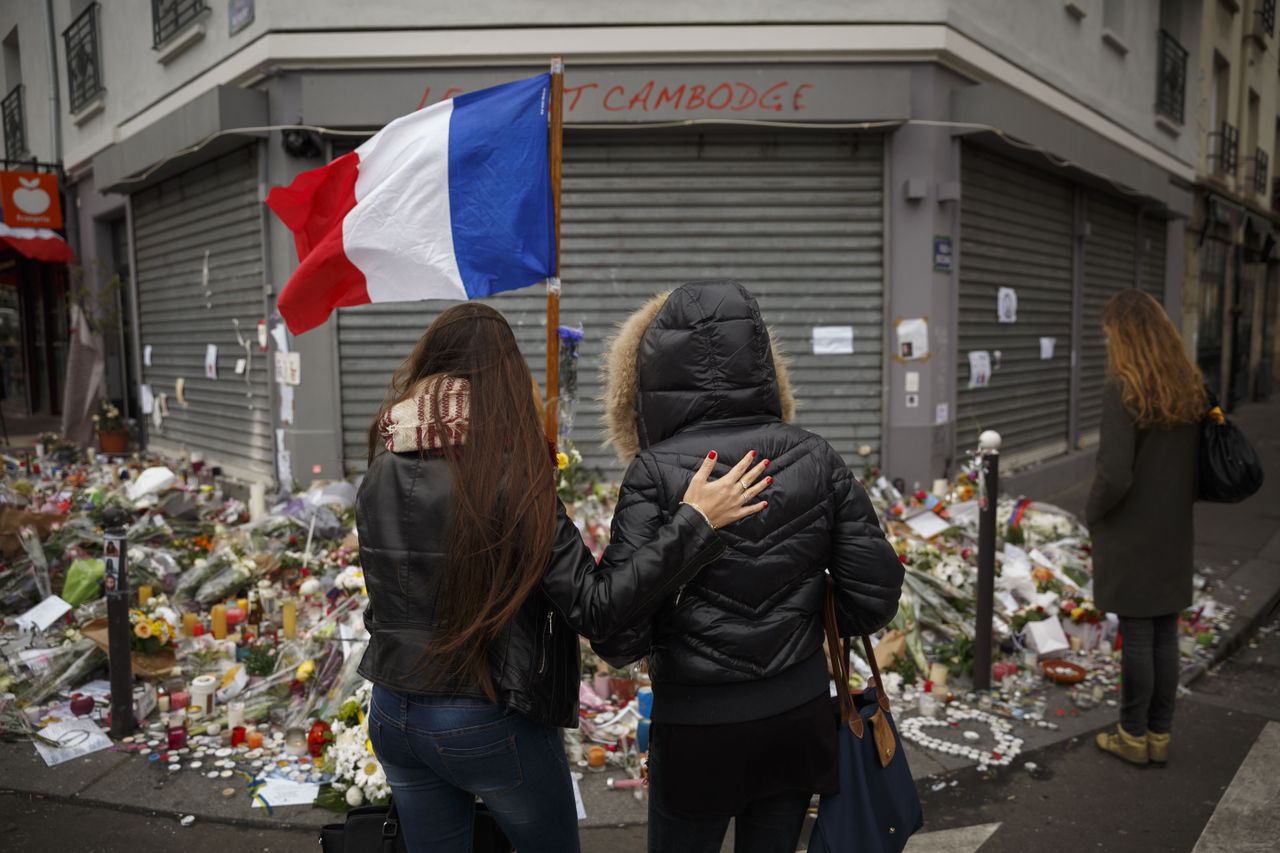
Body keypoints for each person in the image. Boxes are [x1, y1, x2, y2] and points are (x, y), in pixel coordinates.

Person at [355, 302, 770, 853]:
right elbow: (596, 607)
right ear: (506, 380)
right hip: (483, 713)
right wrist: (692, 524)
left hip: (391, 710)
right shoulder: (510, 477)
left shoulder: (381, 464)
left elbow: (384, 599)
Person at [594, 280, 905, 853]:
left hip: (697, 730)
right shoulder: (813, 455)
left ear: (649, 376)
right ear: (763, 359)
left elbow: (619, 634)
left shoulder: (654, 474)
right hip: (798, 715)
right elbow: (876, 595)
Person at [1087, 289, 1204, 767]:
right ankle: (1159, 733)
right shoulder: (1189, 386)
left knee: (1137, 635)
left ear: (1125, 335)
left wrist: (1093, 511)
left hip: (1131, 531)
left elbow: (1114, 474)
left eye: (1110, 333)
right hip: (1173, 528)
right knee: (1164, 633)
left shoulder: (1123, 388)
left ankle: (1132, 734)